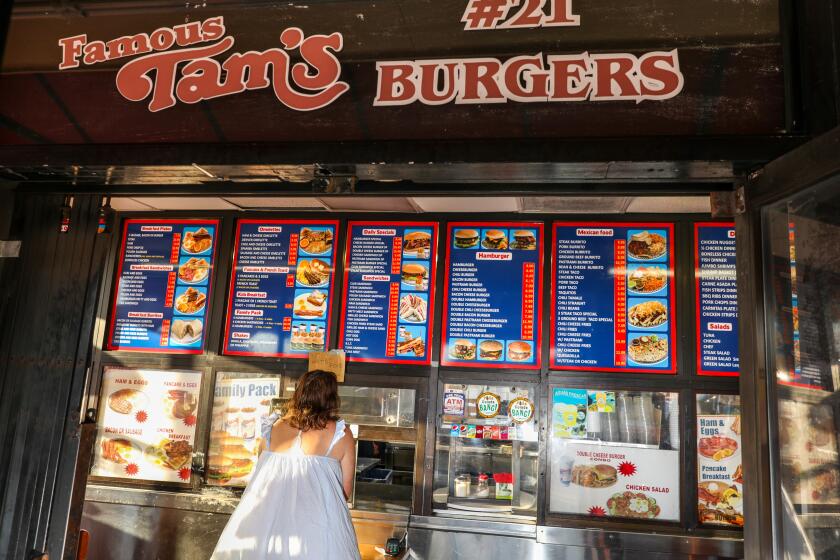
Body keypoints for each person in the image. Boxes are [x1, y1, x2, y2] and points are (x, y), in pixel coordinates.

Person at [211, 370, 360, 559]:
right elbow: (344, 491)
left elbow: (262, 475)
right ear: (332, 397)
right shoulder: (341, 434)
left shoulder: (272, 427)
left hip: (263, 526)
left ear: (298, 393)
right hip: (316, 532)